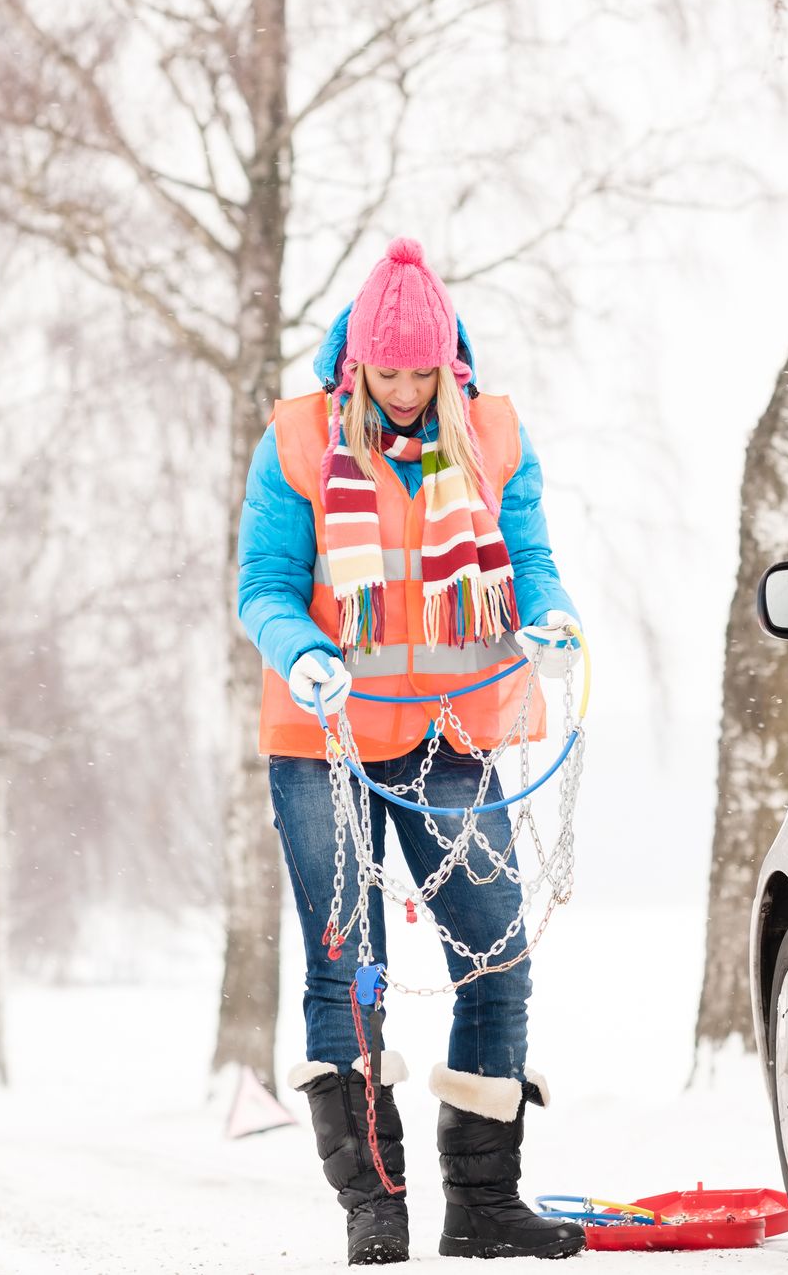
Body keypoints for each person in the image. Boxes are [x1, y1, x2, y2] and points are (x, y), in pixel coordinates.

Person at [237, 237, 587, 1265]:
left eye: (416, 372)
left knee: (494, 954)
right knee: (350, 968)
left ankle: (482, 1200)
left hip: (448, 732)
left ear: (448, 364)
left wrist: (552, 616)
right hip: (325, 736)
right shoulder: (297, 440)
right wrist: (300, 651)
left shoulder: (489, 434)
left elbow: (527, 560)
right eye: (382, 374)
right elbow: (262, 580)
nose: (398, 390)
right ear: (354, 366)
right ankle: (375, 1207)